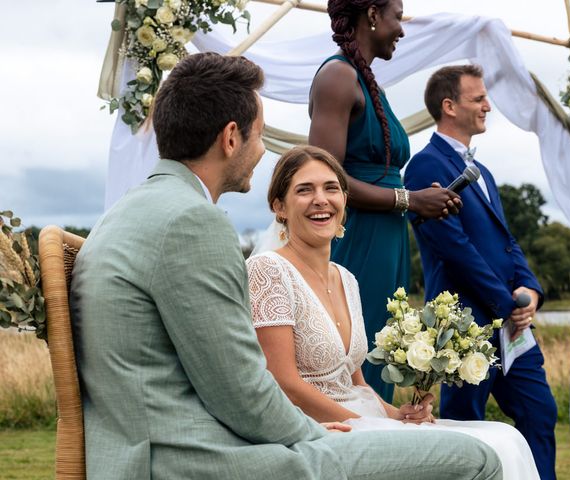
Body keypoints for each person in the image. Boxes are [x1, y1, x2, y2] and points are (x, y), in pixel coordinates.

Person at [70, 53, 501, 480]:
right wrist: (313, 431)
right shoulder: (191, 221)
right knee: (477, 457)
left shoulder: (128, 210)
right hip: (188, 457)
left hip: (144, 446)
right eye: (260, 136)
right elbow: (240, 392)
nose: (261, 152)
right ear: (231, 137)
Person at [247, 145, 540, 480]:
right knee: (482, 450)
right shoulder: (268, 270)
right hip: (320, 428)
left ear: (344, 201)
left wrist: (398, 415)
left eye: (331, 188)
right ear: (279, 207)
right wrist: (366, 424)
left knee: (506, 438)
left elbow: (355, 381)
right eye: (304, 190)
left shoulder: (346, 278)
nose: (321, 199)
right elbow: (283, 381)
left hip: (361, 417)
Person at [404, 65, 558, 479]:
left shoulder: (484, 171)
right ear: (449, 106)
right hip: (465, 323)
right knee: (466, 427)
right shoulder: (423, 167)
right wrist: (506, 303)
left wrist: (530, 288)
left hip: (512, 325)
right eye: (479, 99)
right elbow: (454, 248)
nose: (488, 105)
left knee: (541, 414)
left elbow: (506, 242)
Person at [308, 0, 461, 402]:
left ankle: (374, 443)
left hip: (388, 238)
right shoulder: (337, 78)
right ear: (373, 15)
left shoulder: (367, 81)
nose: (402, 29)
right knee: (356, 353)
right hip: (356, 237)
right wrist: (409, 199)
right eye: (398, 17)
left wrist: (424, 200)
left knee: (381, 348)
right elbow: (324, 177)